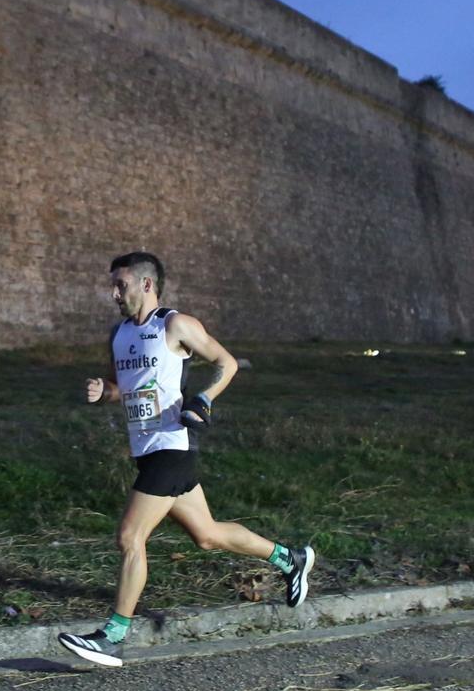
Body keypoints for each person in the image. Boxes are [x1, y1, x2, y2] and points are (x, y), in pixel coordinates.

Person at [57, 251, 316, 668]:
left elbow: (225, 363)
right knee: (207, 535)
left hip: (172, 445)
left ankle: (113, 636)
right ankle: (291, 559)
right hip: (147, 450)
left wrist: (203, 398)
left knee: (129, 537)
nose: (113, 294)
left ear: (146, 284)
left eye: (120, 285)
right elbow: (121, 387)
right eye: (113, 286)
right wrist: (102, 391)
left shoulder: (175, 324)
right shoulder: (120, 333)